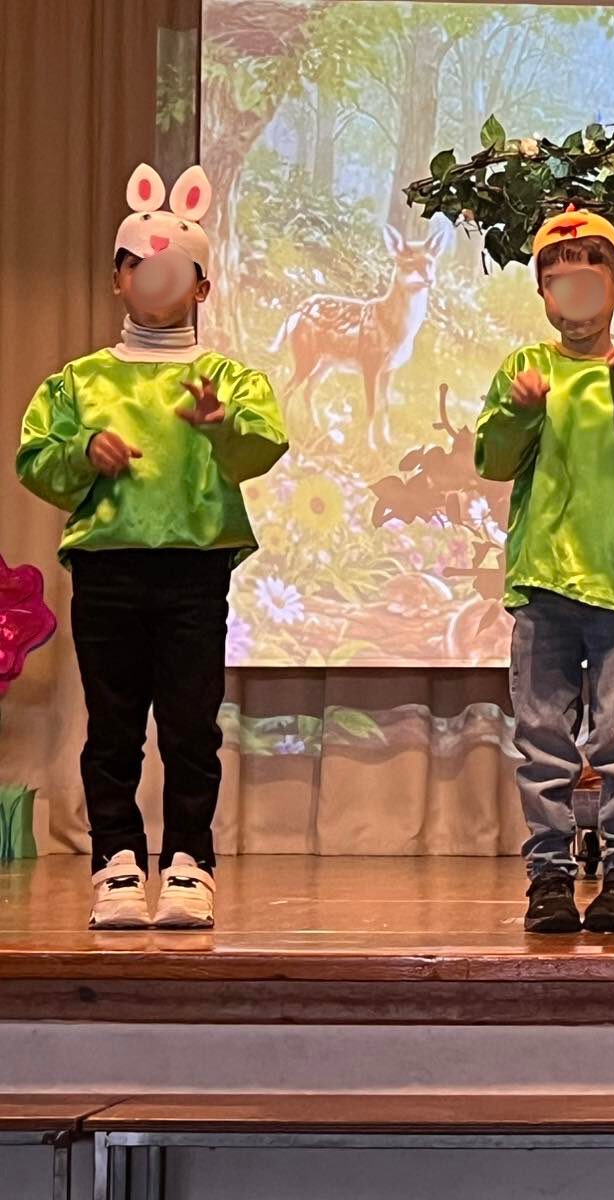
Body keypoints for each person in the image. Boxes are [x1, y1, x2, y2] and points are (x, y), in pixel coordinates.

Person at [15, 163, 288, 930]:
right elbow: (36, 459)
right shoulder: (80, 381)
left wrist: (220, 426)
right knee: (113, 726)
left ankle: (191, 862)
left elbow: (264, 444)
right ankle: (116, 862)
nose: (154, 279)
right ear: (117, 280)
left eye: (174, 269)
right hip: (107, 567)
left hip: (194, 570)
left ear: (202, 287)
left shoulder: (226, 378)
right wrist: (83, 452)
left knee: (190, 724)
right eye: (138, 265)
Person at [477, 205, 614, 935]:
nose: (572, 293)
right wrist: (520, 413)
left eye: (588, 278)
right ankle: (549, 875)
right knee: (542, 738)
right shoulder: (525, 369)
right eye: (557, 281)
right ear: (543, 294)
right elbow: (493, 459)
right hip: (543, 580)